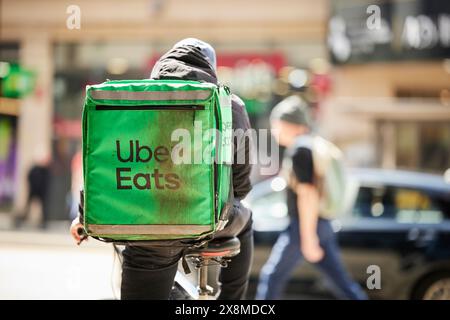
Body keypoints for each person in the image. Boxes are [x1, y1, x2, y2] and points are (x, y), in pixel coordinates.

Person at [70, 38, 254, 300]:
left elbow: (106, 163)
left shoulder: (135, 102)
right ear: (211, 68)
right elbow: (242, 185)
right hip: (208, 221)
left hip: (144, 227)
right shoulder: (229, 104)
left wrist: (83, 216)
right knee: (247, 218)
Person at [256, 95, 367, 300]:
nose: (274, 131)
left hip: (305, 226)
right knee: (340, 282)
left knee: (272, 276)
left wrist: (308, 238)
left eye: (276, 124)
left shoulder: (300, 150)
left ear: (291, 125)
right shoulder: (311, 145)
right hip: (321, 224)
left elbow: (307, 195)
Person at [16, 151, 51, 229]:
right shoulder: (34, 169)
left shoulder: (45, 170)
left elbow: (47, 181)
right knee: (27, 207)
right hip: (33, 190)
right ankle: (21, 220)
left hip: (41, 192)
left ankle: (43, 223)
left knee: (43, 208)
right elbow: (28, 178)